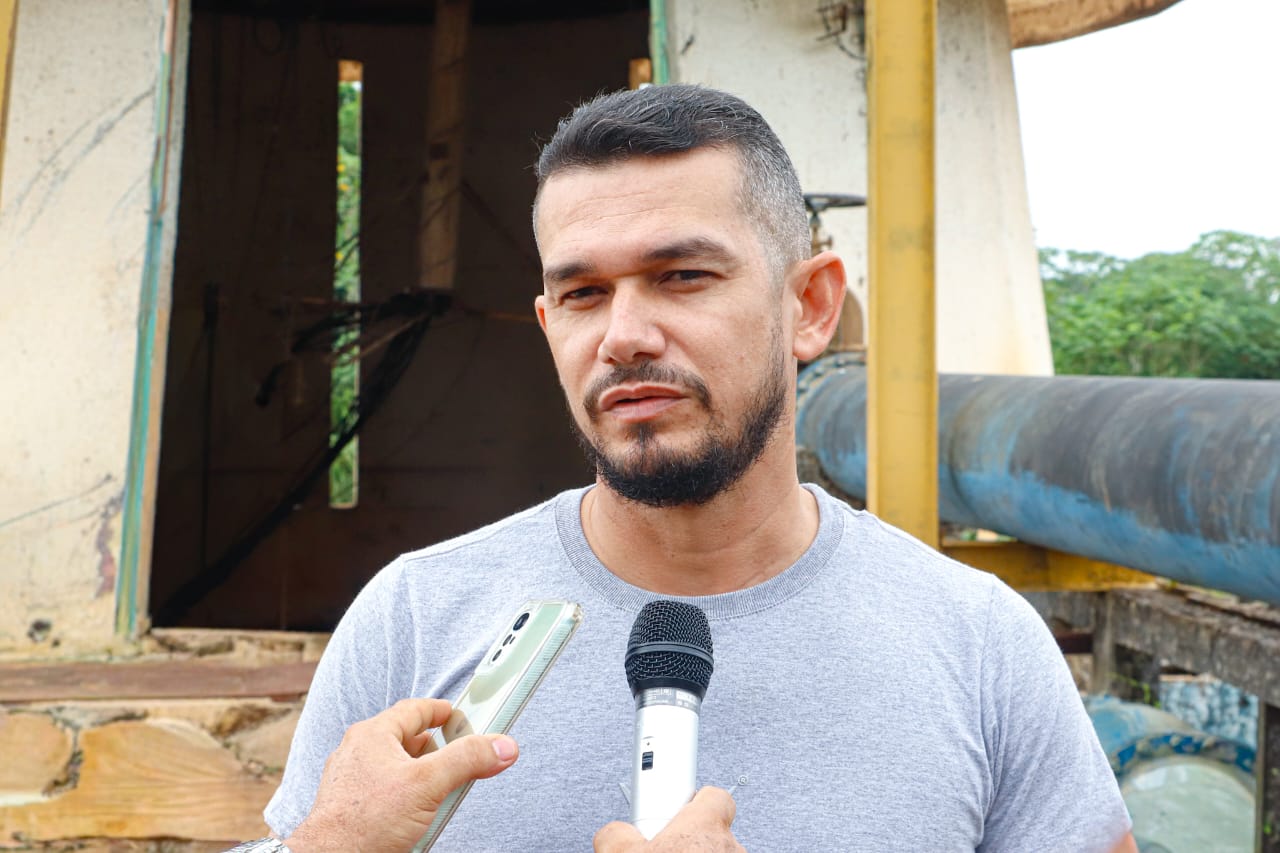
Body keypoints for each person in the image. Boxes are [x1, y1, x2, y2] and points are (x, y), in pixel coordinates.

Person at [257, 84, 1136, 851]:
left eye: (680, 275)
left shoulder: (978, 642)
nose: (623, 334)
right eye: (582, 293)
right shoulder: (416, 617)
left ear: (811, 305)